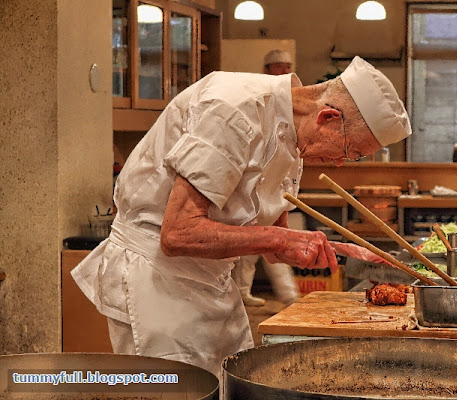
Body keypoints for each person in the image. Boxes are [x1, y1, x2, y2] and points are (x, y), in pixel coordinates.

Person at [71, 56, 411, 378]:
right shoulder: (232, 111)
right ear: (327, 118)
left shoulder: (295, 133)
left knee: (232, 384)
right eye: (350, 152)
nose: (339, 163)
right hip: (157, 282)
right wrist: (279, 239)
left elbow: (270, 237)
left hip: (215, 279)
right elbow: (177, 234)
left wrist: (315, 247)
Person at [233, 48, 299, 307]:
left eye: (288, 66)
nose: (285, 70)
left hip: (277, 186)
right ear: (266, 70)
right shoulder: (255, 100)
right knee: (250, 250)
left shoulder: (293, 100)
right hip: (253, 182)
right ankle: (242, 292)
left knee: (276, 243)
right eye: (279, 66)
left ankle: (290, 296)